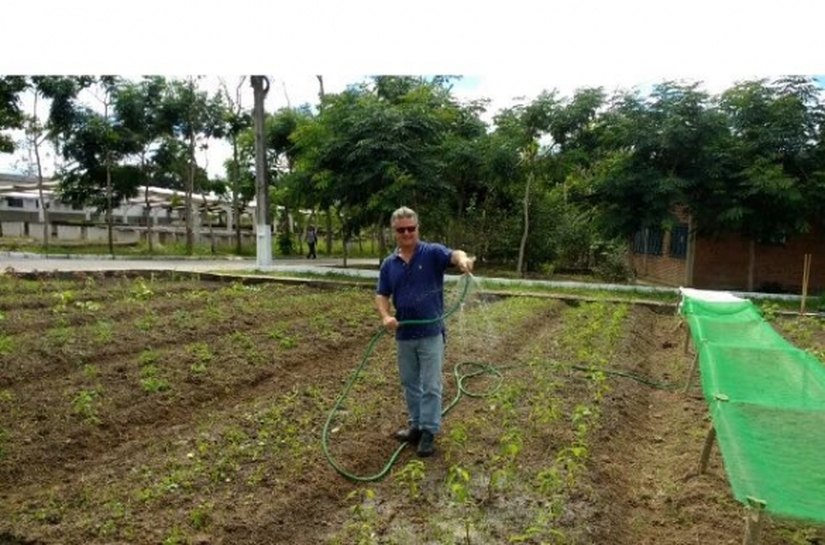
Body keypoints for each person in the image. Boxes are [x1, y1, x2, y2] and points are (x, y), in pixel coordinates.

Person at [375, 206, 474, 457]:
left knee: (431, 385)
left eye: (411, 228)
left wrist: (463, 261)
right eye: (401, 230)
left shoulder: (431, 253)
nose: (407, 233)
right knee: (410, 383)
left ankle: (429, 431)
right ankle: (416, 425)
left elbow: (454, 254)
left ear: (418, 228)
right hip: (405, 335)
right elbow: (382, 294)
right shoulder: (389, 264)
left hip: (430, 333)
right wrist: (386, 315)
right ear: (394, 232)